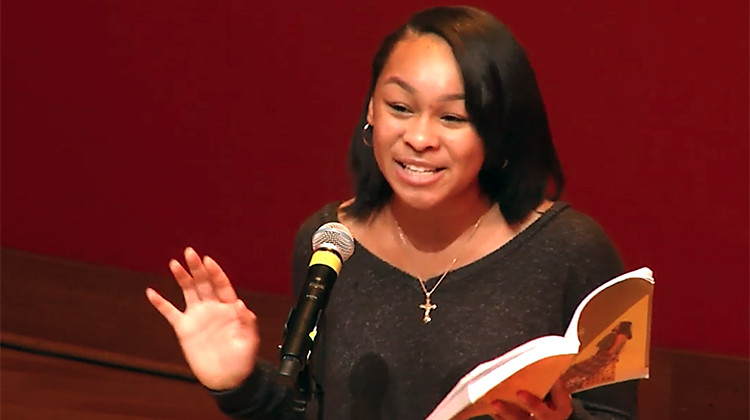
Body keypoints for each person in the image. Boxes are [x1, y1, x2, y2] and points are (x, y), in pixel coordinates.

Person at [146, 6, 639, 420]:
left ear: (499, 132)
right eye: (401, 107)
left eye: (452, 117)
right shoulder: (327, 242)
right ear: (371, 111)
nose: (420, 138)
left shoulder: (574, 249)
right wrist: (237, 384)